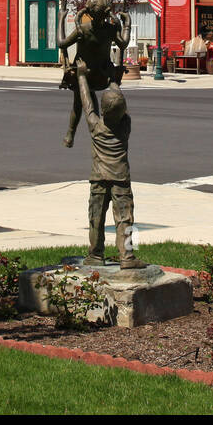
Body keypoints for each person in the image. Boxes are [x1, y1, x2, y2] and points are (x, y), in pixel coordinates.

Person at [76, 60, 145, 269]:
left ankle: (95, 254)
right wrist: (115, 81)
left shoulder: (95, 126)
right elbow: (118, 103)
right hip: (120, 179)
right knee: (125, 218)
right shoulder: (125, 126)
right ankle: (127, 256)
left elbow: (87, 103)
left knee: (96, 217)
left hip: (98, 178)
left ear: (103, 113)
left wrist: (81, 76)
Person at [57, 0, 129, 148]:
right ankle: (97, 132)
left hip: (83, 74)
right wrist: (127, 23)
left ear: (88, 12)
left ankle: (70, 134)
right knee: (98, 95)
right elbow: (123, 44)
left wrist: (61, 19)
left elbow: (61, 43)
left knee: (78, 102)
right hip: (102, 76)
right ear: (107, 13)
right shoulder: (111, 29)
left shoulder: (82, 29)